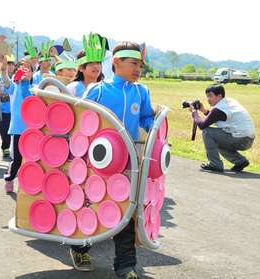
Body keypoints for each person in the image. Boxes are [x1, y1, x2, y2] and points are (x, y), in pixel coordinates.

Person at [81, 40, 155, 279]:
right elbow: (82, 125)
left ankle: (125, 265)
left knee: (125, 211)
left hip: (127, 165)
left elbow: (146, 119)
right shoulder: (98, 90)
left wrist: (157, 130)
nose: (138, 69)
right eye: (134, 63)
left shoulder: (141, 91)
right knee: (89, 205)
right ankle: (79, 247)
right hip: (96, 164)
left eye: (140, 65)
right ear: (116, 63)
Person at [190, 84, 255, 172]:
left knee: (207, 132)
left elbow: (202, 125)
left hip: (240, 140)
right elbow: (216, 117)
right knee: (217, 141)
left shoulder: (218, 110)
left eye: (210, 96)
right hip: (246, 139)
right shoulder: (229, 102)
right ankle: (240, 161)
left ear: (219, 96)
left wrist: (194, 112)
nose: (208, 99)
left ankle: (215, 164)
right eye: (207, 96)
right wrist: (203, 110)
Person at [3, 60, 33, 193]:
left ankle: (27, 186)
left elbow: (30, 100)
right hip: (18, 129)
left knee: (31, 160)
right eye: (20, 69)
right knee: (17, 159)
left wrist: (27, 81)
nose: (24, 71)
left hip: (32, 130)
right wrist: (3, 69)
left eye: (27, 69)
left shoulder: (34, 88)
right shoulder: (14, 86)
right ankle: (9, 178)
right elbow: (6, 81)